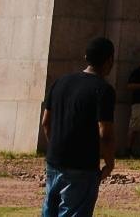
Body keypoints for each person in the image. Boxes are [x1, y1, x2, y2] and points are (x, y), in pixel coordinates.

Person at [40, 37, 118, 217]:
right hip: (83, 166)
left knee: (49, 211)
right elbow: (105, 133)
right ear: (109, 60)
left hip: (54, 161)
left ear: (85, 56)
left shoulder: (60, 82)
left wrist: (56, 147)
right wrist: (109, 163)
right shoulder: (104, 90)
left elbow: (46, 122)